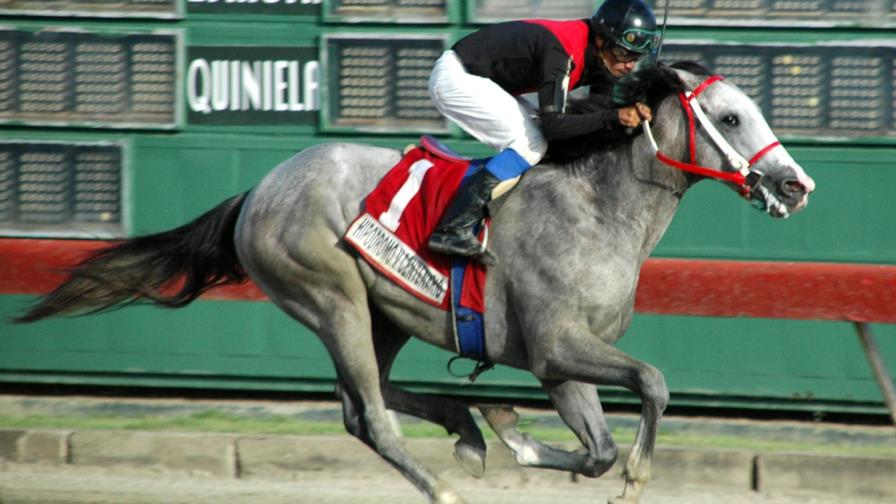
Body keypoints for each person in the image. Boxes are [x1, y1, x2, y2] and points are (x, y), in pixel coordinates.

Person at [427, 0, 659, 261]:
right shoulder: (562, 52)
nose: (629, 65)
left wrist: (632, 114)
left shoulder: (603, 58)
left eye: (635, 57)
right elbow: (555, 126)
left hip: (482, 80)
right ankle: (451, 228)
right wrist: (614, 116)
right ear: (600, 40)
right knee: (533, 143)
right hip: (456, 77)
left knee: (539, 138)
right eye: (623, 53)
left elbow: (600, 115)